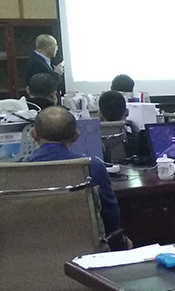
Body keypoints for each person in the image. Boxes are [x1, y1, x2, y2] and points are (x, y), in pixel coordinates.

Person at [28, 107, 128, 254]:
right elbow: (110, 215)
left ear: (33, 134)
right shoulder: (92, 167)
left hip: (29, 255)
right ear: (76, 136)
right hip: (87, 257)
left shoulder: (12, 173)